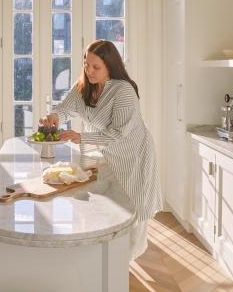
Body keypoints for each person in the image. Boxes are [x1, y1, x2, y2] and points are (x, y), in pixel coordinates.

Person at [39, 39, 162, 260]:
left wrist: (80, 137)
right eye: (86, 64)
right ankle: (97, 258)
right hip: (101, 154)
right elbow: (65, 108)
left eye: (96, 67)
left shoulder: (122, 90)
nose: (89, 71)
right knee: (93, 202)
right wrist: (54, 117)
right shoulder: (83, 87)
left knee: (131, 212)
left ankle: (123, 266)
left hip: (132, 156)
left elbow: (119, 133)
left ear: (110, 66)